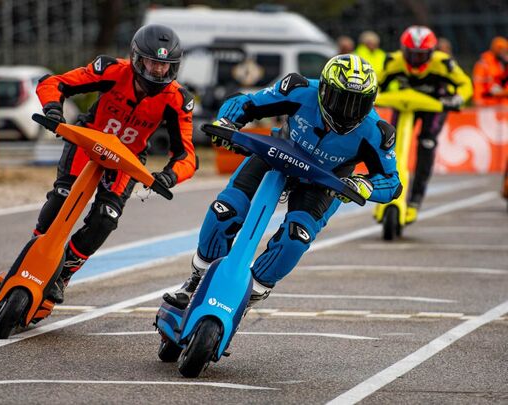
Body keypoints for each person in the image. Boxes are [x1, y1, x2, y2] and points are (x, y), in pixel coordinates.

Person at [163, 54, 402, 310]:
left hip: (324, 181)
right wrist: (227, 123)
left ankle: (250, 295)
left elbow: (392, 182)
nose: (348, 111)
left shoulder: (377, 131)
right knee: (224, 211)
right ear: (323, 90)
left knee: (295, 238)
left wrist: (365, 186)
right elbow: (246, 103)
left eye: (358, 104)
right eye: (340, 100)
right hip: (276, 156)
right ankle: (196, 281)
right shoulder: (299, 89)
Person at [35, 24, 197, 303]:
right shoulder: (110, 70)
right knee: (63, 196)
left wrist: (170, 176)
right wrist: (53, 108)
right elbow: (54, 83)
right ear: (136, 58)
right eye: (152, 62)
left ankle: (63, 274)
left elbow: (187, 156)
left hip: (127, 158)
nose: (157, 71)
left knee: (106, 217)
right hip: (88, 141)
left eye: (164, 65)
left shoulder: (178, 100)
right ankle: (34, 252)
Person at [378, 25, 473, 224]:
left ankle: (414, 201)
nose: (415, 60)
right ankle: (384, 194)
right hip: (403, 105)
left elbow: (465, 84)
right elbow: (375, 82)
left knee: (427, 145)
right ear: (403, 51)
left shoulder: (443, 63)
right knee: (389, 145)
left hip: (434, 107)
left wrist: (457, 99)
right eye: (411, 54)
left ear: (431, 52)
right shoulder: (393, 61)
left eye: (421, 55)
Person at [472, 36, 508, 106]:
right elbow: (478, 83)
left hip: (503, 103)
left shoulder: (504, 63)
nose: (502, 52)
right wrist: (478, 99)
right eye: (500, 49)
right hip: (487, 103)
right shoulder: (484, 63)